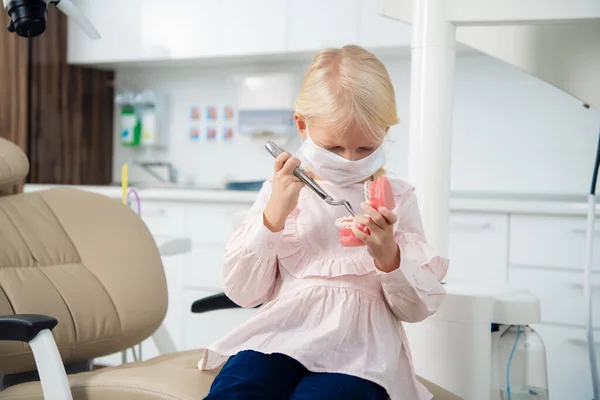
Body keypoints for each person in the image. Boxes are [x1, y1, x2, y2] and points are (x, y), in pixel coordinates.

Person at [200, 45, 448, 400]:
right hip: (282, 333)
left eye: (364, 149)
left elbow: (417, 308)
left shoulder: (398, 196)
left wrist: (387, 256)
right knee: (238, 389)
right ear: (302, 124)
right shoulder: (283, 189)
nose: (350, 161)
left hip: (361, 351)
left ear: (385, 130)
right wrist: (274, 216)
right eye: (335, 148)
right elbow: (243, 292)